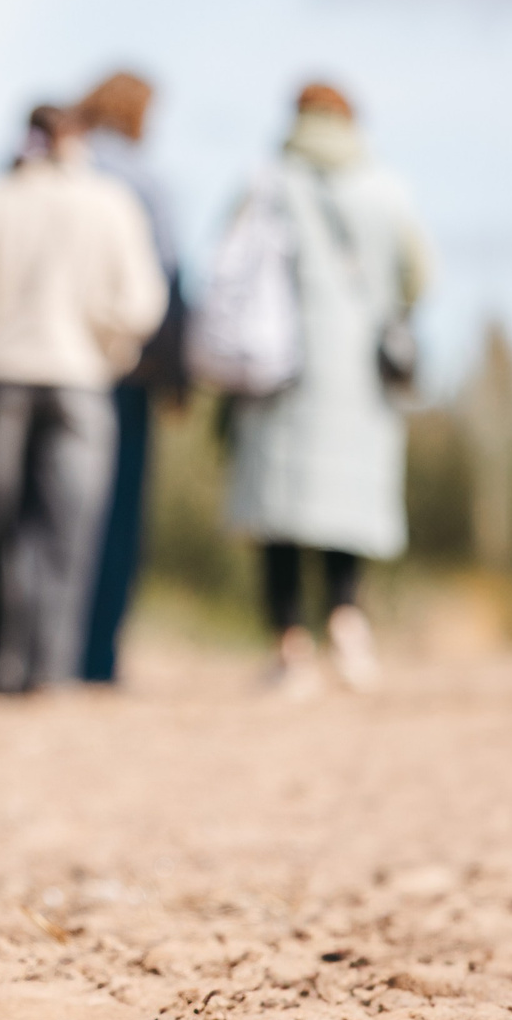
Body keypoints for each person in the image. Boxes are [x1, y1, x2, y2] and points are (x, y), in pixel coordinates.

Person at [0, 104, 168, 694]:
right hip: (83, 381)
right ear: (78, 141)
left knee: (0, 526)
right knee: (70, 533)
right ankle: (50, 669)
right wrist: (105, 343)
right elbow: (142, 303)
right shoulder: (111, 202)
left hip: (0, 377)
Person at [221, 82, 431, 695]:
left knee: (279, 512)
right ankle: (348, 623)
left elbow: (229, 263)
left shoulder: (268, 182)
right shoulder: (386, 189)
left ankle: (291, 649)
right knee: (348, 506)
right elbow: (421, 274)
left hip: (278, 365)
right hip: (360, 374)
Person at [73, 72, 188, 684]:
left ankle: (43, 650)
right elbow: (168, 280)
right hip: (126, 372)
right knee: (117, 516)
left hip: (53, 363)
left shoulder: (57, 163)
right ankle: (98, 658)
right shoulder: (145, 181)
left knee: (52, 515)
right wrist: (177, 377)